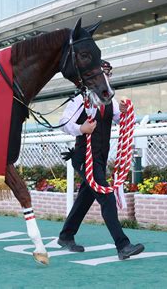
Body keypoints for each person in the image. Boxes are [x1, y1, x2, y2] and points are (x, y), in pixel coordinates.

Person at [58, 61, 144, 260]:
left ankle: (66, 235)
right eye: (102, 73)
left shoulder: (108, 100)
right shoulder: (80, 98)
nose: (105, 78)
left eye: (108, 74)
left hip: (99, 158)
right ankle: (123, 245)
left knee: (85, 198)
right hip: (83, 157)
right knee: (106, 197)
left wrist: (124, 109)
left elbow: (119, 119)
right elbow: (63, 122)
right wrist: (81, 129)